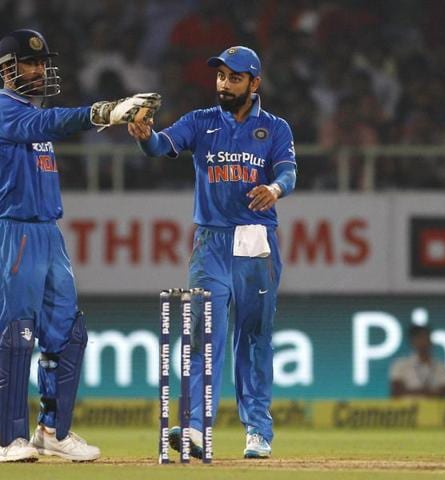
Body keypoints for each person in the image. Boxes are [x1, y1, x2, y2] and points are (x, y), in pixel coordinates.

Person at [0, 28, 160, 463]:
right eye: (30, 63)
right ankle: (9, 439)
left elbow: (50, 123)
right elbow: (50, 122)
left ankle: (52, 431)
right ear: (8, 69)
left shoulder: (31, 115)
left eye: (42, 63)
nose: (40, 69)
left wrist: (123, 120)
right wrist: (104, 111)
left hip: (47, 233)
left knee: (68, 332)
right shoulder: (1, 111)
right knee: (17, 333)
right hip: (14, 231)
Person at [129, 46, 297, 459]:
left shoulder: (275, 128)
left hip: (255, 239)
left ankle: (257, 431)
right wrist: (146, 135)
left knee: (254, 338)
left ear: (254, 83)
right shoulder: (200, 122)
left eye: (234, 78)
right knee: (202, 338)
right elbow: (161, 146)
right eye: (220, 76)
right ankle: (195, 428)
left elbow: (288, 172)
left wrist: (273, 189)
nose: (224, 84)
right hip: (210, 243)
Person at [390, 325, 445, 398]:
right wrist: (427, 392)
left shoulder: (440, 366)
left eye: (426, 338)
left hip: (434, 409)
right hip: (409, 408)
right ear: (412, 341)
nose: (423, 342)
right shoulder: (400, 364)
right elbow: (396, 392)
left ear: (431, 341)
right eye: (419, 338)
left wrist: (411, 391)